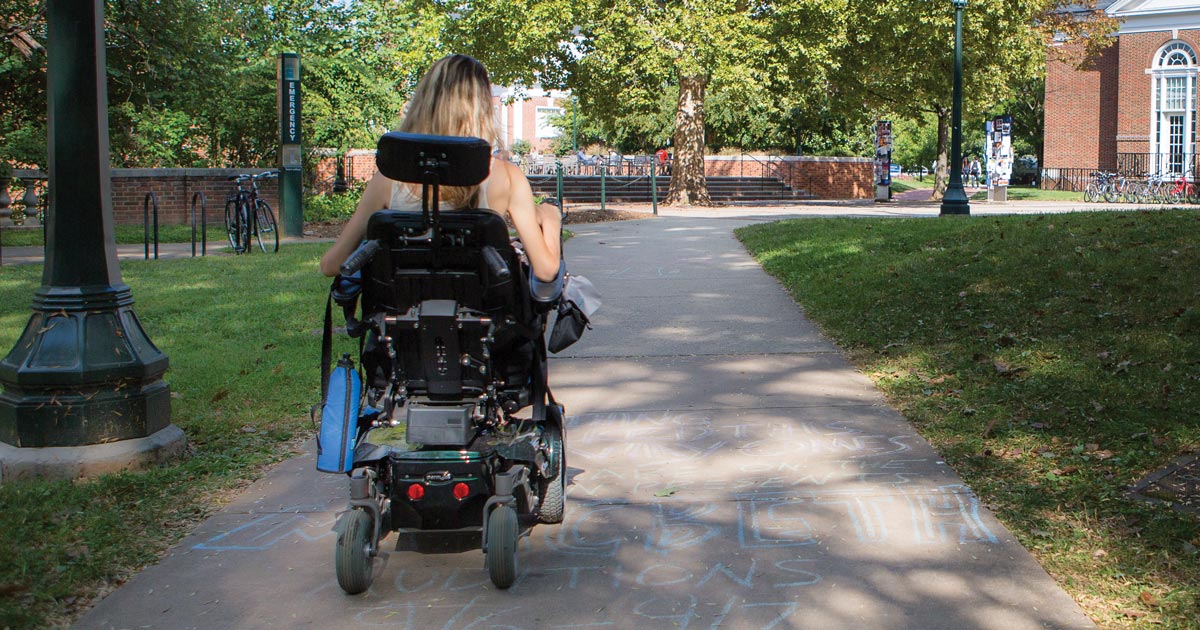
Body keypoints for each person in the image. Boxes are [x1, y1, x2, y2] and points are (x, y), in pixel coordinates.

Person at [320, 55, 561, 285]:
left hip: (403, 318)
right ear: (482, 109)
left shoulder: (388, 179)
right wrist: (551, 220)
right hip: (481, 319)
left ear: (425, 102)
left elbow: (331, 266)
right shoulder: (506, 177)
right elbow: (546, 271)